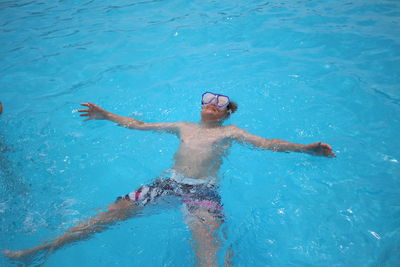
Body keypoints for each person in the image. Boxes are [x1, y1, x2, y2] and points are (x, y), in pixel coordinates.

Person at [4, 92, 335, 266]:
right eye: (207, 100)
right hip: (166, 184)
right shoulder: (183, 126)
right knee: (105, 217)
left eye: (219, 103)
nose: (211, 104)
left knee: (207, 257)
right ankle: (42, 249)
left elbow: (268, 144)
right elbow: (139, 125)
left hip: (203, 194)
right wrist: (107, 115)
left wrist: (305, 149)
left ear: (226, 113)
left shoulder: (232, 131)